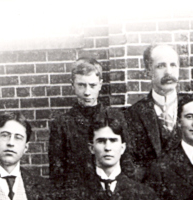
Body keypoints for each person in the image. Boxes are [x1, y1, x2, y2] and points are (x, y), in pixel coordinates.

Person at [48, 58, 136, 187]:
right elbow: (57, 172)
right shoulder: (62, 124)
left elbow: (127, 161)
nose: (87, 92)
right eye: (81, 85)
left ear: (100, 84)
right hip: (78, 194)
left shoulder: (116, 117)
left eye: (92, 85)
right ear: (72, 84)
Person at [126, 43, 183, 181]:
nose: (168, 72)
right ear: (148, 71)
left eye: (173, 65)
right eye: (161, 66)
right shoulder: (132, 114)